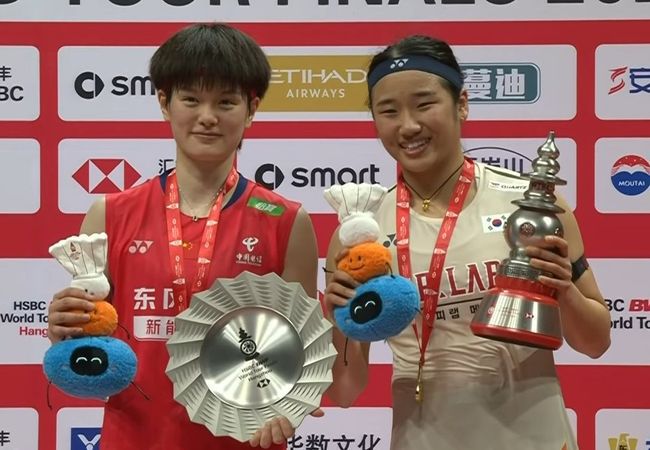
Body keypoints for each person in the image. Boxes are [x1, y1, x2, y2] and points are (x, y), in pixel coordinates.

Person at [323, 35, 611, 450]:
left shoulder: (533, 208)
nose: (408, 125)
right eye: (389, 111)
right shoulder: (359, 234)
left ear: (462, 104)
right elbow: (345, 392)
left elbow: (596, 343)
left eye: (424, 104)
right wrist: (341, 324)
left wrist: (564, 291)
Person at [46, 23, 320, 450]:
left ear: (251, 109)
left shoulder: (286, 221)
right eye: (191, 99)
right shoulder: (110, 214)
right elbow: (87, 345)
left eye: (226, 102)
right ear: (164, 102)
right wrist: (64, 331)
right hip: (134, 438)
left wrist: (293, 401)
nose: (207, 116)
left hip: (244, 440)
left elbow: (302, 350)